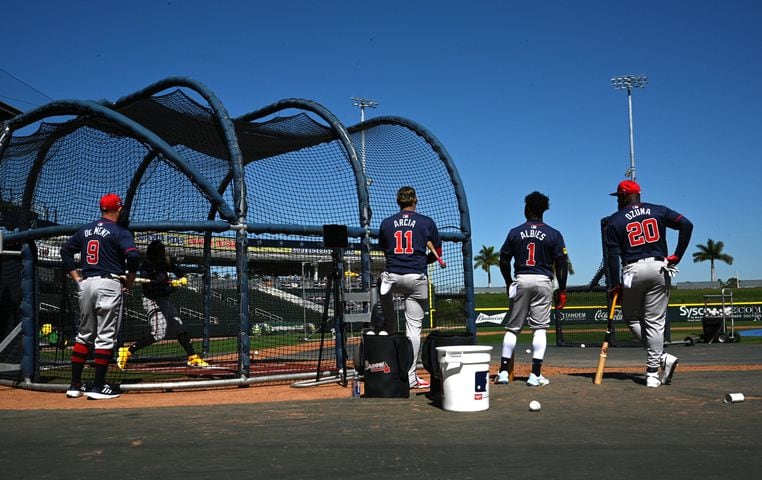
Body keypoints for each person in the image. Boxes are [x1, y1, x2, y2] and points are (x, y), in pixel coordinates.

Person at [605, 180, 693, 388]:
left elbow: (612, 256)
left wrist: (614, 284)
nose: (617, 200)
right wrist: (677, 256)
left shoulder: (614, 220)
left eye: (618, 196)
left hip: (632, 270)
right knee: (654, 322)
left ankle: (658, 362)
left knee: (631, 317)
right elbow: (686, 224)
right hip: (659, 267)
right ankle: (654, 370)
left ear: (626, 196)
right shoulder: (658, 210)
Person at [60, 193, 140, 400]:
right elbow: (132, 255)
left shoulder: (85, 230)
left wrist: (76, 276)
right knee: (105, 336)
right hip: (108, 283)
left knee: (84, 335)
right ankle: (98, 387)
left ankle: (75, 385)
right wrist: (130, 279)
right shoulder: (120, 231)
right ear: (119, 209)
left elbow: (65, 250)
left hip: (86, 283)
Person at [496, 191, 568, 387]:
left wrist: (508, 281)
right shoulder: (554, 233)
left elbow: (503, 259)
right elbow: (562, 263)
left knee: (513, 328)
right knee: (540, 328)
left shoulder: (515, 232)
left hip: (521, 278)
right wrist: (562, 289)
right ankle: (535, 375)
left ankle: (503, 372)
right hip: (543, 280)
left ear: (527, 209)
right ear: (544, 210)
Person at [378, 186, 442, 389]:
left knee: (381, 285)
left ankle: (386, 325)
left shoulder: (387, 223)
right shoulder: (426, 222)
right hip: (416, 276)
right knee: (413, 329)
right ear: (416, 200)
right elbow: (436, 253)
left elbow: (386, 250)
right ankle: (411, 376)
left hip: (392, 277)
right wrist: (423, 259)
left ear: (398, 201)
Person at [117, 239, 208, 369]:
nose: (162, 254)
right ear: (154, 253)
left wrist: (181, 277)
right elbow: (150, 290)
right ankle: (127, 351)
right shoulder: (146, 267)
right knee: (159, 333)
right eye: (160, 252)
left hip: (165, 299)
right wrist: (173, 287)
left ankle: (192, 357)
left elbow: (176, 269)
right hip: (152, 300)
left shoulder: (163, 263)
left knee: (179, 328)